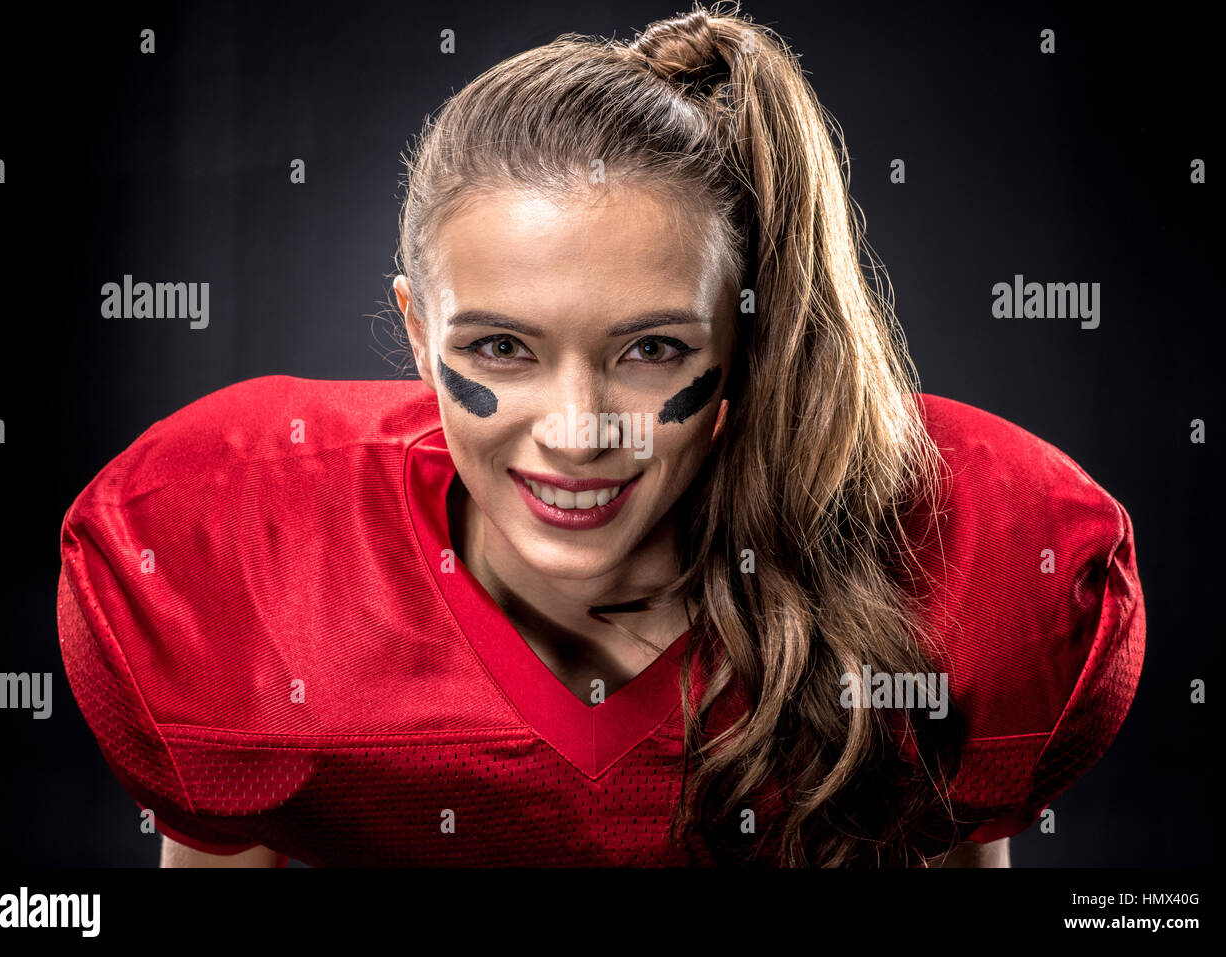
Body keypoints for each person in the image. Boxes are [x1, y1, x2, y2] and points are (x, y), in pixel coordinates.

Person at [55, 2, 1144, 867]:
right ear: (415, 328)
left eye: (652, 350)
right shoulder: (237, 562)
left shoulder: (959, 562)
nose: (576, 432)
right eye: (500, 350)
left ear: (744, 337)